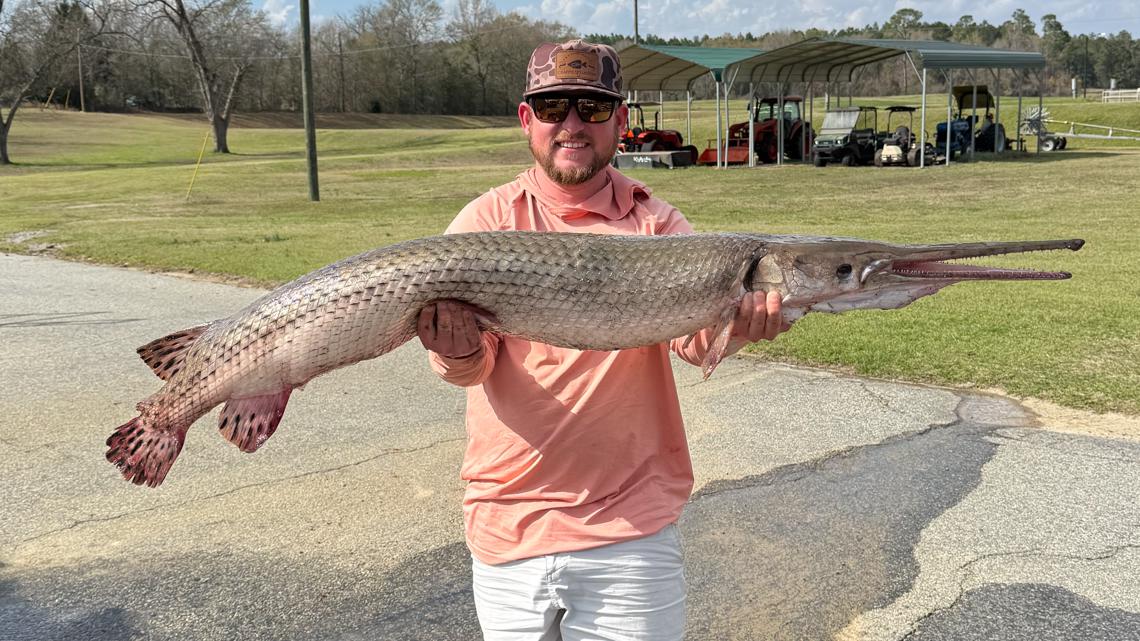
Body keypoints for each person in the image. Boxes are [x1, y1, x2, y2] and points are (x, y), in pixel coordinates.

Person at [417, 39, 789, 641]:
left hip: (631, 530)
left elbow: (692, 345)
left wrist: (740, 328)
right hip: (508, 520)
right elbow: (466, 370)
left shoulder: (658, 226)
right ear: (526, 119)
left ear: (619, 120)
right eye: (552, 107)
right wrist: (454, 349)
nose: (571, 125)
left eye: (591, 109)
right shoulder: (486, 222)